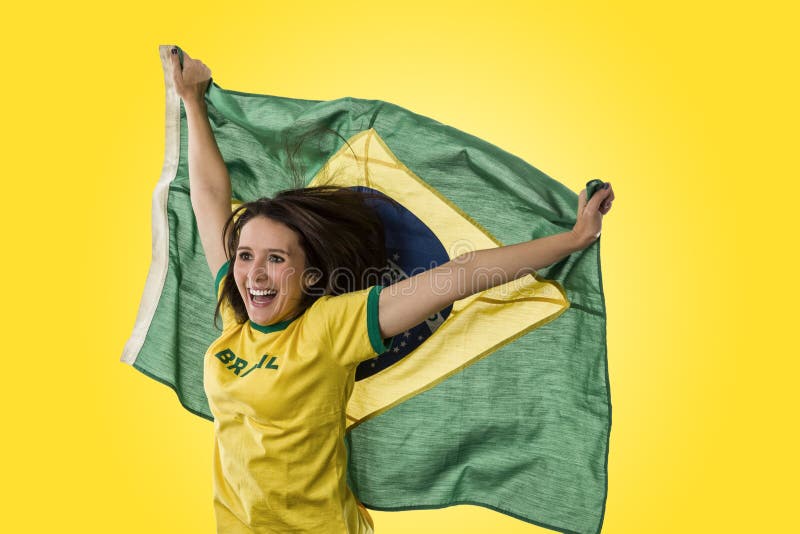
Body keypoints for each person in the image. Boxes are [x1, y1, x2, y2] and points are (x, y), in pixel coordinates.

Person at [169, 48, 615, 534]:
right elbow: (210, 199)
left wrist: (574, 239)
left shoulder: (330, 327)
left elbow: (459, 274)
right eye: (247, 255)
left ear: (311, 276)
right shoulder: (238, 311)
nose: (254, 272)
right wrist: (192, 98)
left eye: (276, 259)